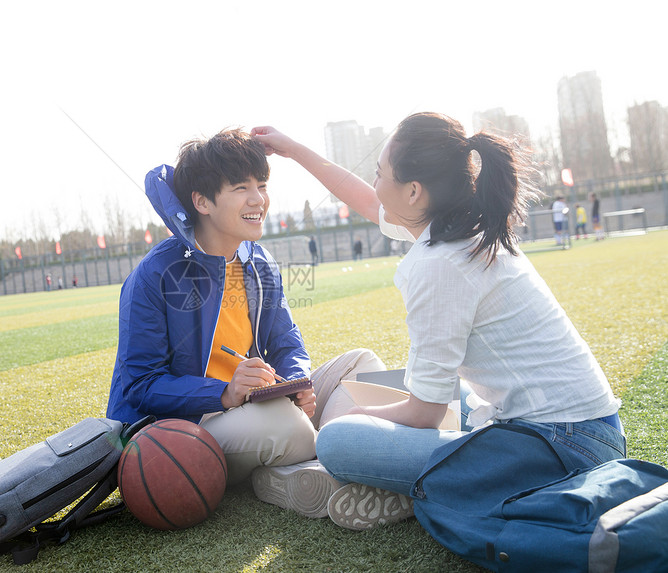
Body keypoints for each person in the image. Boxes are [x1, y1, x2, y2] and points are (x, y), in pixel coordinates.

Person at [252, 113, 624, 530]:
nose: (375, 184)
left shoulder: (441, 263)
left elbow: (425, 413)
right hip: (579, 432)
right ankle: (415, 482)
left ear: (413, 191)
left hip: (561, 450)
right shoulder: (464, 224)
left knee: (337, 438)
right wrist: (295, 149)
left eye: (379, 173)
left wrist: (352, 419)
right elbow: (367, 199)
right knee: (416, 399)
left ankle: (415, 488)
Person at [106, 129, 385, 517]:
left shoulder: (259, 262)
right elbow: (140, 385)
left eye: (262, 184)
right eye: (241, 187)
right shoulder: (156, 273)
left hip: (258, 404)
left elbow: (287, 343)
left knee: (363, 365)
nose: (258, 199)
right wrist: (223, 393)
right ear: (201, 201)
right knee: (286, 425)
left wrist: (296, 383)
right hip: (187, 427)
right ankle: (335, 455)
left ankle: (324, 460)